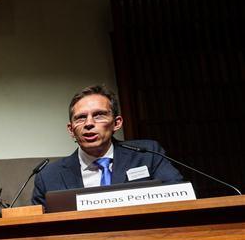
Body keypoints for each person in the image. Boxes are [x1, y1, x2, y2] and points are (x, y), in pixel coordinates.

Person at [31, 85, 184, 205]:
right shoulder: (49, 176)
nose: (89, 123)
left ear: (117, 123)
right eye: (81, 118)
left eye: (99, 115)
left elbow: (181, 197)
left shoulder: (147, 155)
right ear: (71, 130)